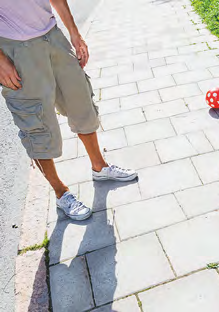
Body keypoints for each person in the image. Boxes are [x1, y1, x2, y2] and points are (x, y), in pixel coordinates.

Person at [0, 0, 137, 221]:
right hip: (15, 49)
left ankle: (99, 167)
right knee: (36, 124)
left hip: (53, 36)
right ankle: (60, 192)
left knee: (80, 100)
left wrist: (74, 32)